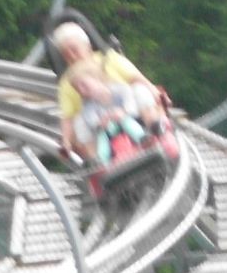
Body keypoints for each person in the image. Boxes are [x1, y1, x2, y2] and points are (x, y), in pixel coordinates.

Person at [50, 20, 173, 168]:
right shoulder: (67, 81)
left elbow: (137, 79)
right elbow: (68, 117)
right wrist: (66, 141)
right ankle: (97, 161)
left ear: (87, 46)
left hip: (128, 111)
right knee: (79, 122)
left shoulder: (109, 59)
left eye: (74, 49)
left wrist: (156, 94)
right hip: (99, 125)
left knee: (140, 90)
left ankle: (154, 132)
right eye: (66, 53)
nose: (71, 56)